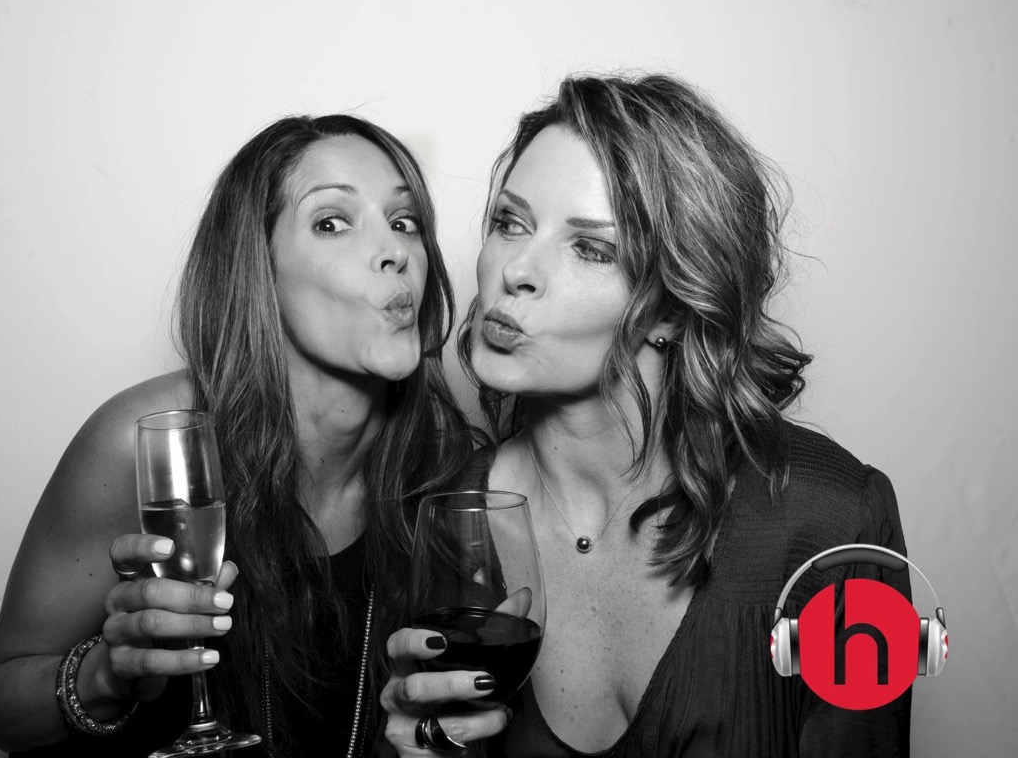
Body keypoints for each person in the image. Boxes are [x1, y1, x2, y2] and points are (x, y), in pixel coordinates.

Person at [381, 74, 912, 757]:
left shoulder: (837, 522)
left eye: (591, 248)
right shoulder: (443, 520)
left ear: (674, 304)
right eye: (511, 223)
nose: (516, 270)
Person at [0, 114, 474, 757]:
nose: (396, 251)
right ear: (257, 268)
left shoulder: (445, 464)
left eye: (404, 222)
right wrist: (107, 673)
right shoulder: (144, 446)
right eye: (332, 222)